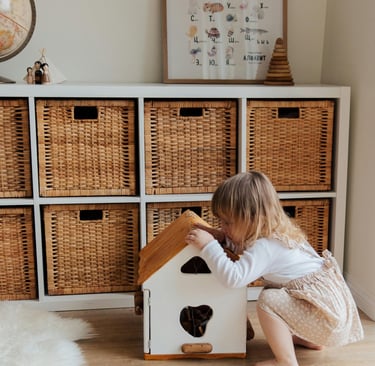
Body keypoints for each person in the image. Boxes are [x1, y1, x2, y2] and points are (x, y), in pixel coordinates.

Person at [185, 171, 364, 366]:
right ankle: (310, 339)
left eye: (228, 222)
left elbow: (233, 278)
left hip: (325, 321)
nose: (223, 226)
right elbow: (243, 246)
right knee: (276, 293)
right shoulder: (276, 231)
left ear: (253, 218)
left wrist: (209, 246)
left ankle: (285, 361)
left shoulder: (265, 246)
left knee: (269, 299)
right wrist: (221, 237)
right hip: (329, 314)